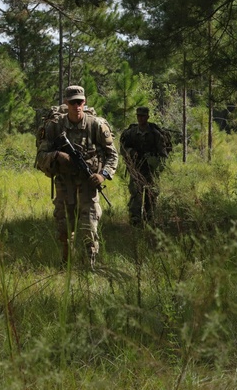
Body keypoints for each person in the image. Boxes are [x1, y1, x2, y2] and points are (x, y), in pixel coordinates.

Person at [35, 85, 118, 267]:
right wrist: (57, 156)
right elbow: (40, 158)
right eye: (72, 102)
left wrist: (103, 175)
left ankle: (90, 267)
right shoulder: (54, 127)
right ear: (66, 102)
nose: (76, 106)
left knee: (89, 228)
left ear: (84, 102)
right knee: (64, 229)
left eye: (79, 102)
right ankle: (66, 266)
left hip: (88, 185)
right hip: (64, 185)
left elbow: (112, 155)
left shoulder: (95, 125)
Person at [120, 107, 169, 226]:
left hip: (151, 170)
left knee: (151, 196)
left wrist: (154, 161)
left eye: (143, 116)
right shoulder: (131, 133)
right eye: (138, 116)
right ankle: (135, 222)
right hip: (136, 169)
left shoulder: (155, 134)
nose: (140, 118)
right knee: (136, 195)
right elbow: (122, 149)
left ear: (147, 117)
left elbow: (163, 154)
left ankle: (149, 221)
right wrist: (131, 152)